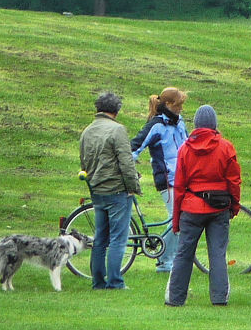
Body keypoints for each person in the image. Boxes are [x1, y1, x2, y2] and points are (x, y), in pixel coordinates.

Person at [166, 105, 241, 306]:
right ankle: (219, 298)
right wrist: (235, 205)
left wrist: (176, 220)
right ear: (214, 124)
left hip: (191, 207)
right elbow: (234, 180)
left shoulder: (185, 149)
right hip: (219, 208)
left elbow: (179, 186)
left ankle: (175, 298)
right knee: (217, 253)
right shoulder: (226, 147)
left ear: (196, 124)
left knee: (184, 253)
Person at [79, 92, 142, 290]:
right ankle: (115, 282)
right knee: (117, 239)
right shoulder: (118, 130)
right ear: (116, 110)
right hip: (117, 190)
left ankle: (98, 281)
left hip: (97, 189)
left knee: (100, 239)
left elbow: (84, 162)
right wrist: (134, 187)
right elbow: (126, 162)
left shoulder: (87, 131)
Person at [132, 88, 188, 273]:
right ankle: (164, 262)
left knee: (181, 220)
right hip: (168, 180)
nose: (181, 108)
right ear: (169, 105)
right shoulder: (156, 125)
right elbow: (135, 147)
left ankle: (166, 259)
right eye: (178, 105)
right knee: (177, 221)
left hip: (184, 180)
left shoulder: (180, 123)